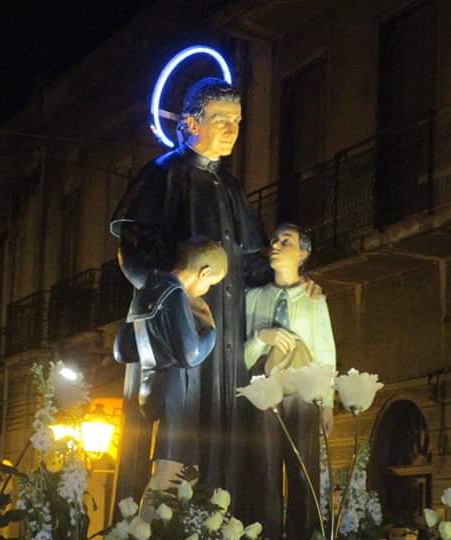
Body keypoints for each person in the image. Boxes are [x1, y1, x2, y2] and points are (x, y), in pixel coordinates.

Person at [110, 77, 272, 516]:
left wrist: (292, 285)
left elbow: (253, 264)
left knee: (226, 437)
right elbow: (133, 250)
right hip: (178, 327)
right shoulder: (162, 173)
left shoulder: (232, 188)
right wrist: (175, 285)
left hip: (228, 336)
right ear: (189, 123)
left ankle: (217, 515)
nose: (231, 129)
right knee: (177, 428)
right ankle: (159, 518)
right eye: (220, 119)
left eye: (237, 121)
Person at [113, 238, 227, 496]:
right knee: (170, 475)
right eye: (210, 282)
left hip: (153, 386)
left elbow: (122, 350)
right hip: (177, 391)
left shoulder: (149, 287)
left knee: (178, 474)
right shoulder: (174, 293)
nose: (207, 289)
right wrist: (210, 330)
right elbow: (190, 354)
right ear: (204, 271)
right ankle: (148, 532)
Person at [244, 223, 336, 540]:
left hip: (302, 393)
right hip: (264, 392)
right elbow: (240, 356)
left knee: (302, 468)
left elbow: (325, 353)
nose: (277, 245)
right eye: (274, 240)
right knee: (265, 469)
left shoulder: (314, 301)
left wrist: (326, 405)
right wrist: (260, 338)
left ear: (302, 254)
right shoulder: (253, 298)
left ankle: (305, 533)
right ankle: (264, 533)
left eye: (287, 241)